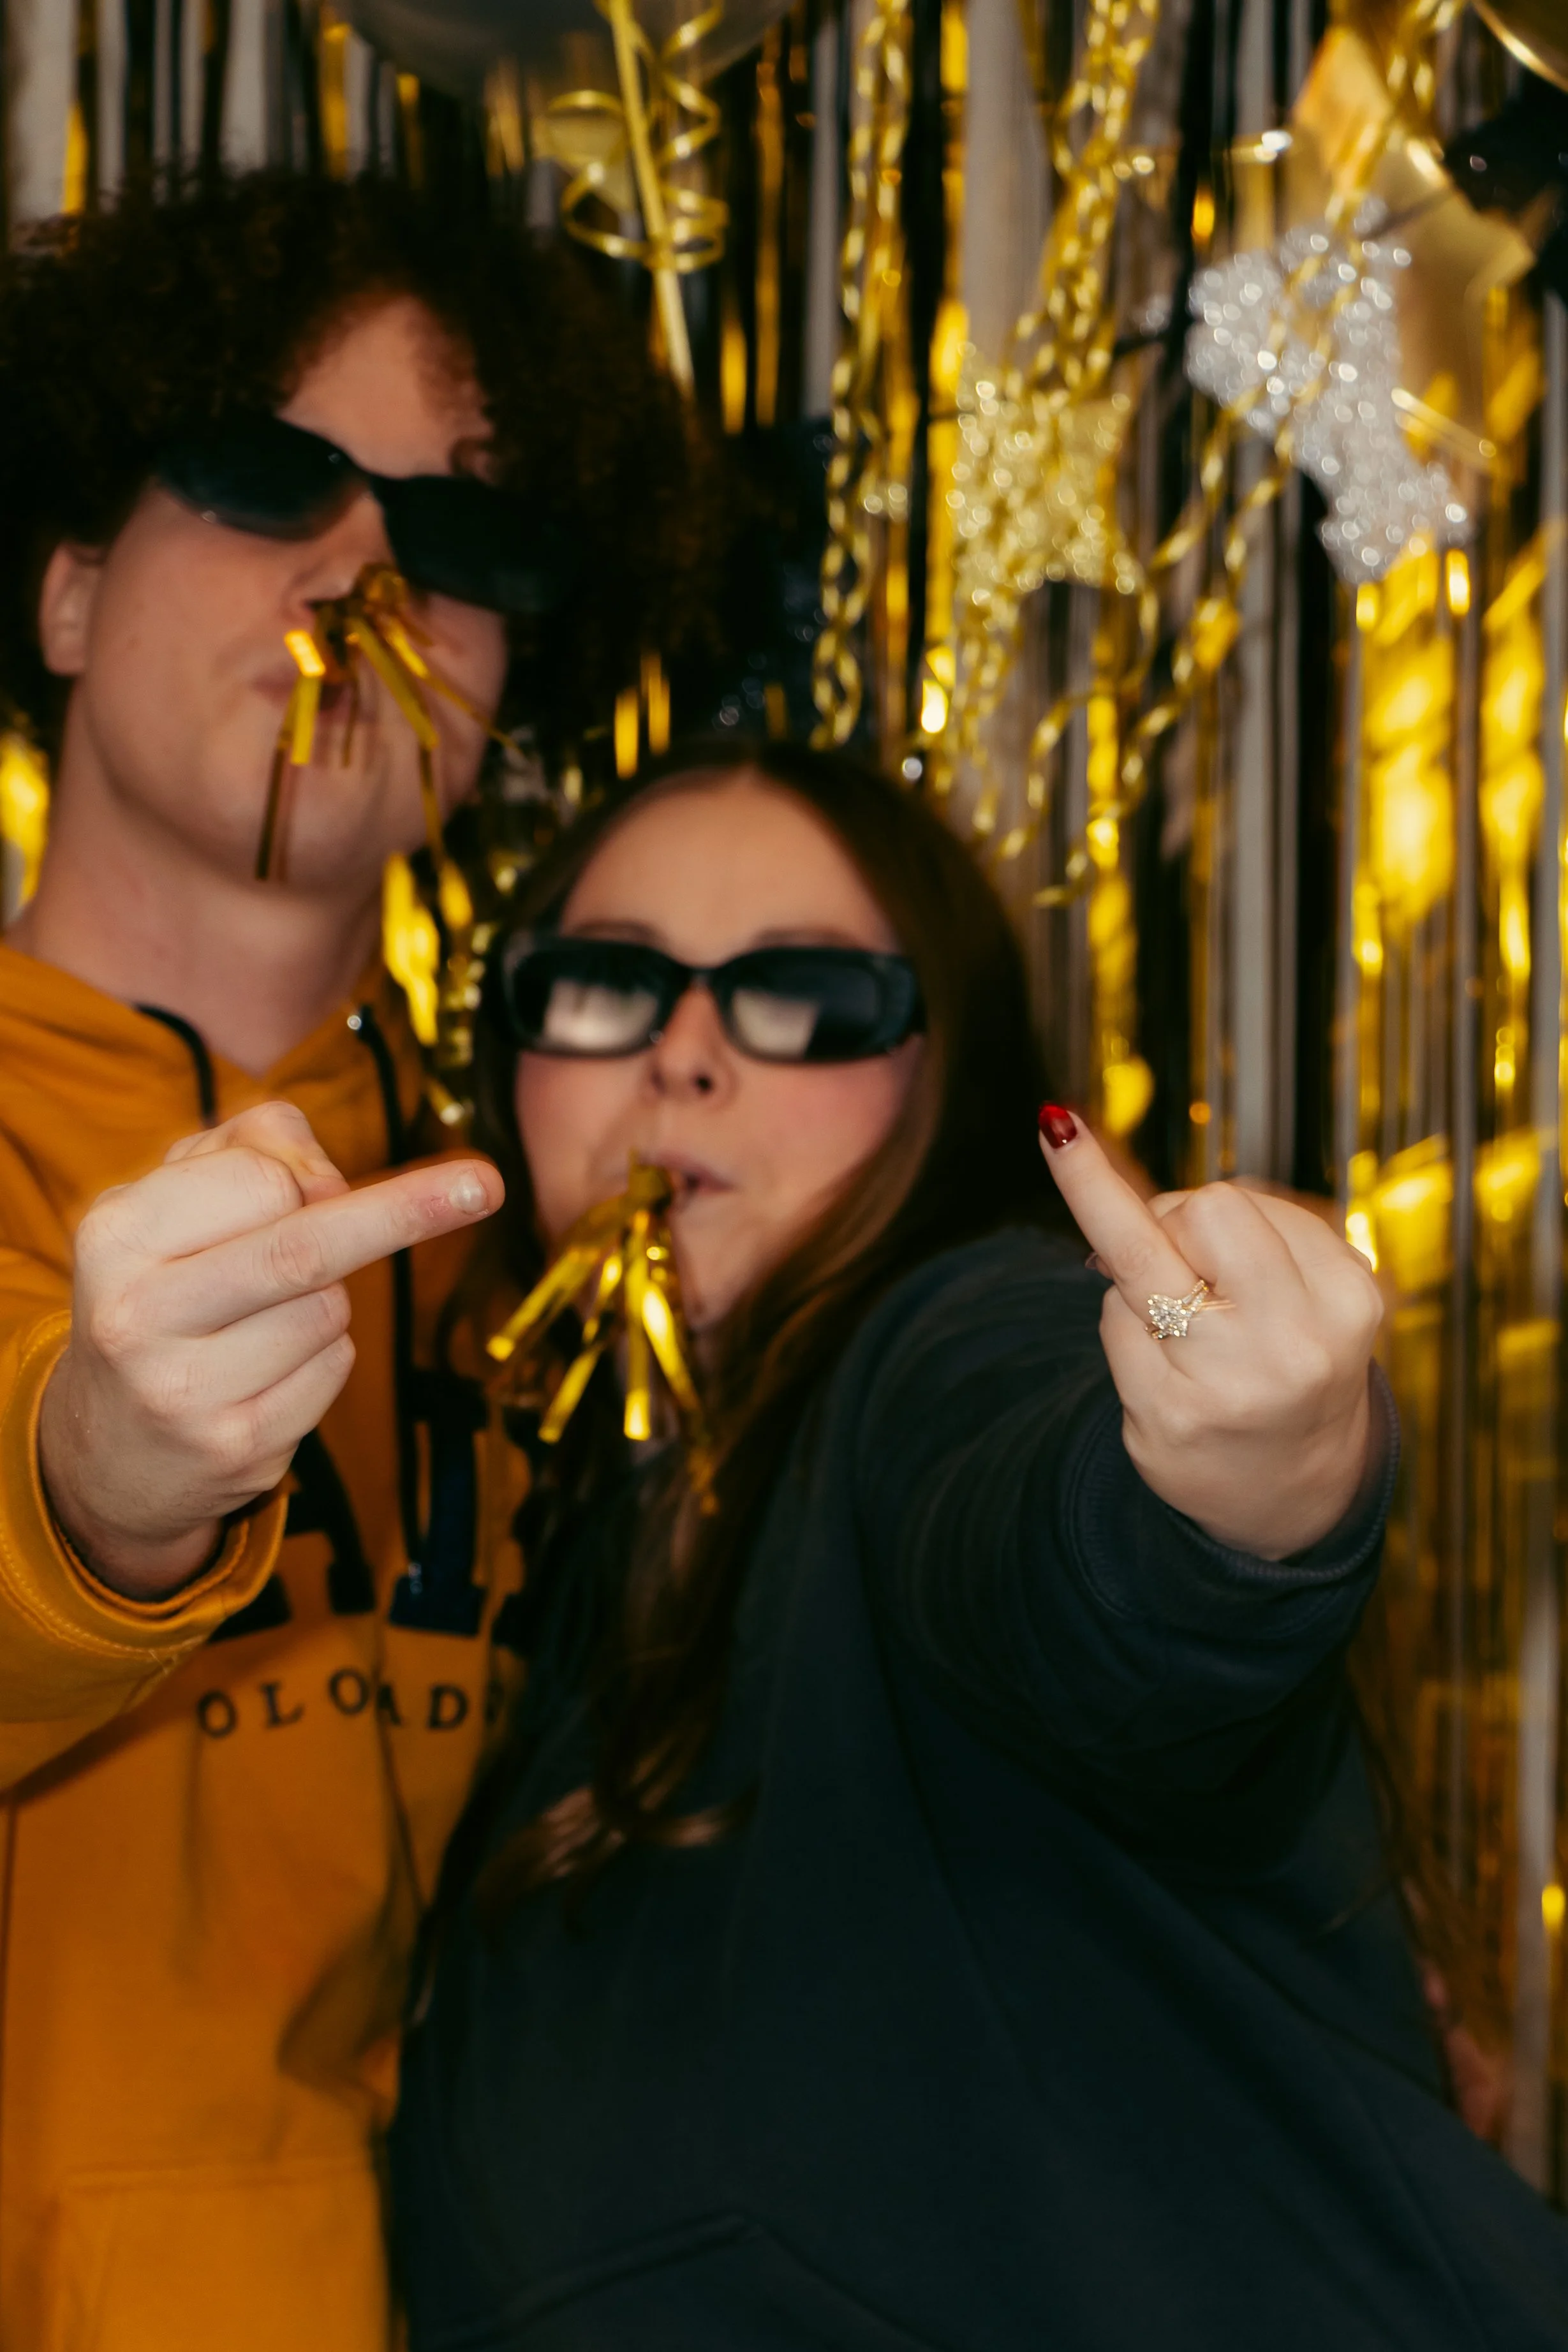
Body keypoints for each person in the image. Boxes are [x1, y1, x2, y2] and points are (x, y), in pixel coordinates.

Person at [388, 742, 1568, 2351]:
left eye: (802, 996)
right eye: (603, 983)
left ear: (942, 1068)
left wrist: (1249, 1482)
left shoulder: (938, 1345)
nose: (679, 1059)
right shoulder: (596, 1536)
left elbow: (1055, 1527)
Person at [0, 168, 706, 2349]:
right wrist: (95, 1487)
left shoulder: (586, 1197)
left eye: (458, 535)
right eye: (265, 472)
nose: (365, 565)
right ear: (67, 586)